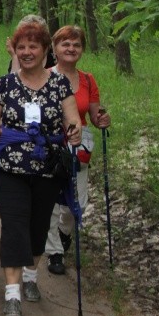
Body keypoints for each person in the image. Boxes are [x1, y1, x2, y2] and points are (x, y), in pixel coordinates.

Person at [0, 22, 81, 316]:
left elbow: (72, 120)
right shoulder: (5, 84)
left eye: (33, 47)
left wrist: (73, 132)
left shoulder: (60, 83)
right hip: (10, 166)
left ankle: (31, 275)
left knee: (37, 229)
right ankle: (12, 295)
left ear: (45, 50)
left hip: (47, 169)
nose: (26, 52)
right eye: (21, 47)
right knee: (14, 226)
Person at [45, 25, 111, 274]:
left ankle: (64, 233)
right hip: (50, 142)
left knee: (77, 204)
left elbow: (94, 114)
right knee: (50, 200)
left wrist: (103, 119)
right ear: (55, 48)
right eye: (65, 44)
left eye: (76, 44)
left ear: (81, 49)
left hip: (78, 145)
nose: (71, 49)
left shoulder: (87, 80)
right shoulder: (44, 76)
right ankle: (54, 252)